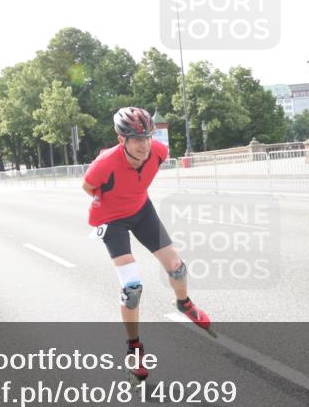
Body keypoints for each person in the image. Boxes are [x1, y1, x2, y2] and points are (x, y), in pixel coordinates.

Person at [81, 107, 213, 385]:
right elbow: (88, 185)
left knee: (176, 267)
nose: (144, 145)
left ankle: (184, 302)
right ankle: (134, 349)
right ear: (121, 139)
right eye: (136, 139)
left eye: (147, 137)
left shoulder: (159, 152)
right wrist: (105, 200)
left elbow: (147, 167)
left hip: (142, 210)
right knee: (132, 289)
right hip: (111, 219)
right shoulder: (105, 163)